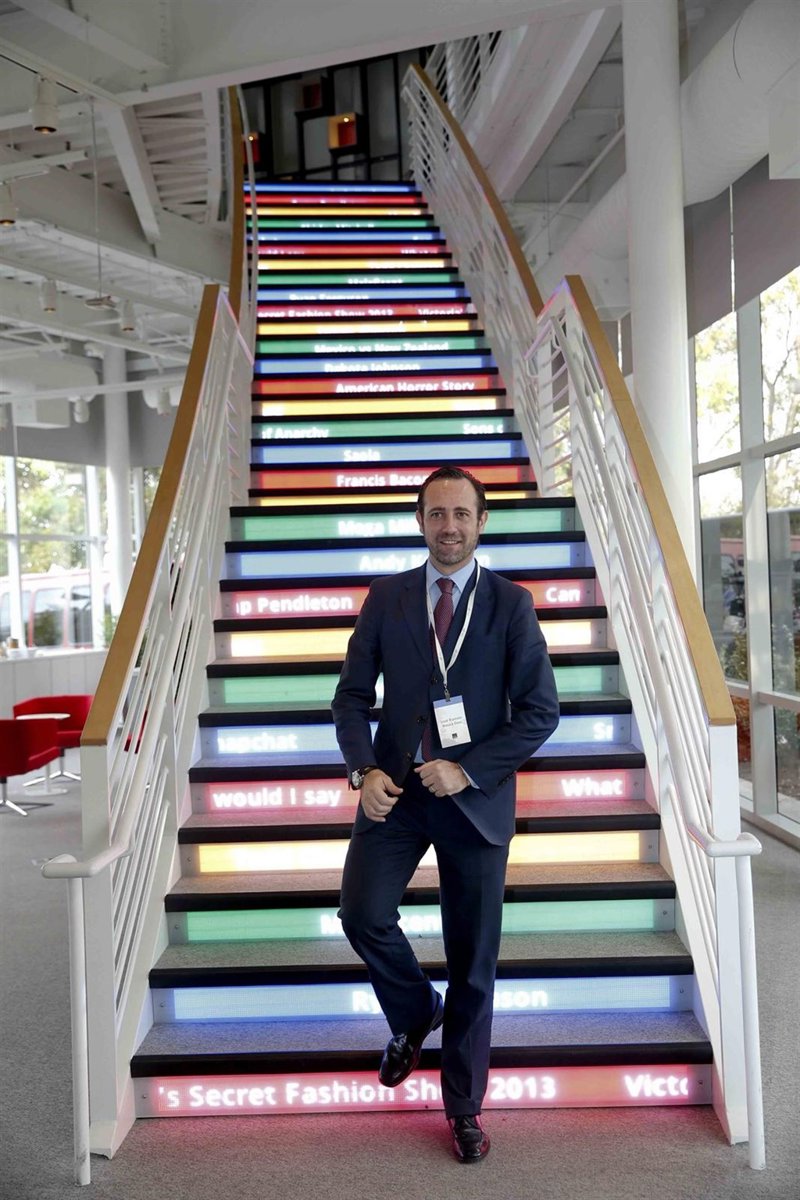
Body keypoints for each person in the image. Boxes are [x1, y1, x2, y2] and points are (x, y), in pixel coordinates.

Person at [332, 465, 560, 1164]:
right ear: (420, 521)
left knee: (472, 961)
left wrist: (468, 768)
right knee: (361, 913)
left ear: (481, 521)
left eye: (462, 514)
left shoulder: (511, 604)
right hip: (396, 794)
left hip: (473, 801)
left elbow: (540, 712)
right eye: (437, 514)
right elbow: (350, 698)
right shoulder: (388, 596)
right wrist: (364, 769)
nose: (449, 527)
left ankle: (463, 1107)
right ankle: (415, 1012)